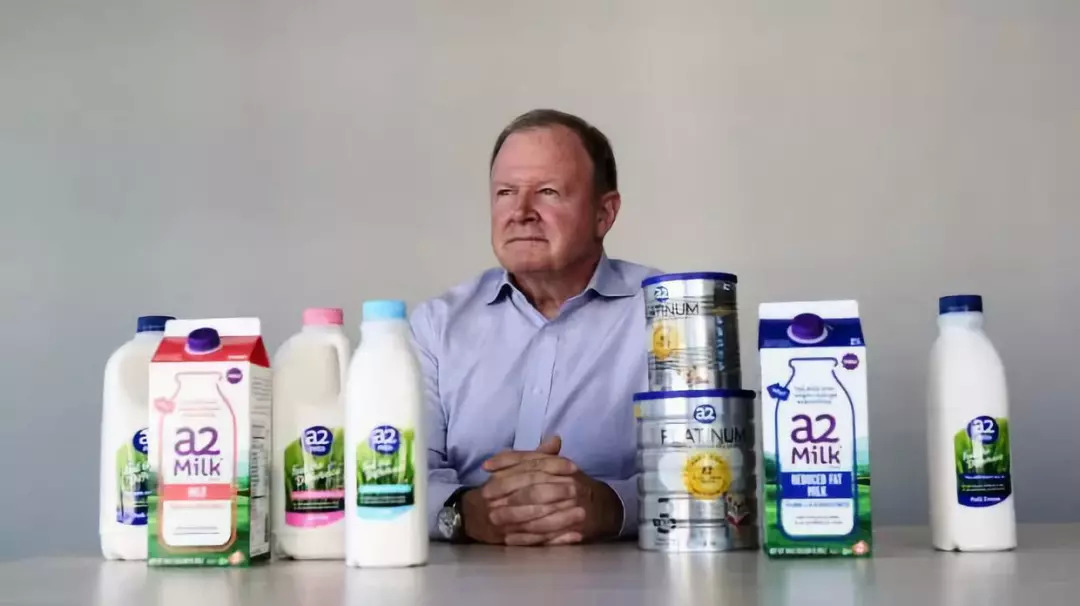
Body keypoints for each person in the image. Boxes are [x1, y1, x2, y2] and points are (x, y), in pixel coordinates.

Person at [410, 109, 658, 546]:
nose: (521, 212)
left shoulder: (671, 314)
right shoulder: (435, 326)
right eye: (506, 192)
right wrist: (465, 512)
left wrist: (612, 507)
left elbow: (711, 471)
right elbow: (397, 475)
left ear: (604, 214)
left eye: (547, 192)